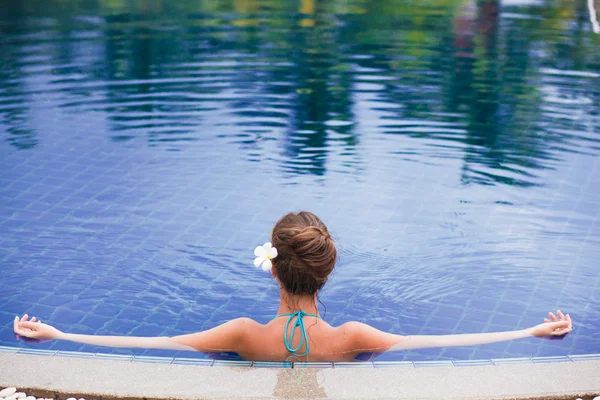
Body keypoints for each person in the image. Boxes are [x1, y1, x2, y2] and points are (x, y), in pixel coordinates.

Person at [13, 211, 573, 362]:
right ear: (325, 273)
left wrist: (61, 335)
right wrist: (529, 329)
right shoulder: (352, 336)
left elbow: (156, 345)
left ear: (272, 268)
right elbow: (442, 343)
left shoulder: (241, 334)